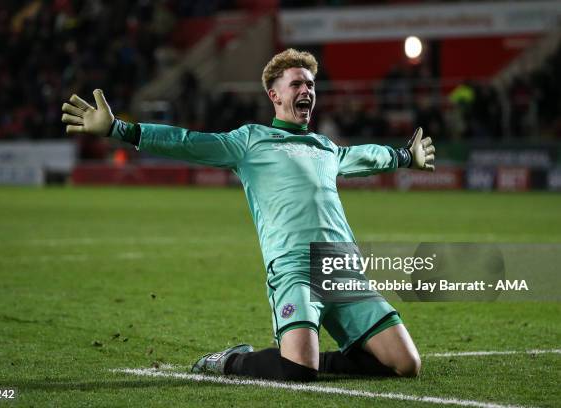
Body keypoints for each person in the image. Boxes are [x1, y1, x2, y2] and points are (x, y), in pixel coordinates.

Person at [61, 49, 435, 382]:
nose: (306, 90)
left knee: (406, 364)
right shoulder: (249, 141)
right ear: (274, 95)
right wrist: (118, 128)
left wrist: (405, 156)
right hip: (294, 269)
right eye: (296, 84)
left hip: (343, 270)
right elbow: (190, 142)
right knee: (297, 372)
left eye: (310, 84)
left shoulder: (325, 147)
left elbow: (367, 156)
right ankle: (231, 361)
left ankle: (322, 358)